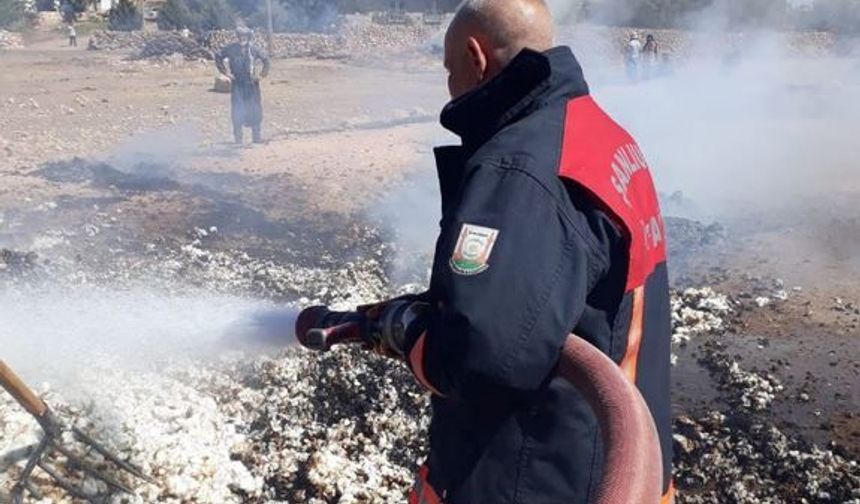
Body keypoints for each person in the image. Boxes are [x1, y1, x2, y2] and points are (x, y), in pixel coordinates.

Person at [357, 0, 674, 502]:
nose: (449, 85)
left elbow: (482, 359)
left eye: (449, 69)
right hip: (619, 466)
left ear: (475, 56)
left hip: (541, 478)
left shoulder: (519, 168)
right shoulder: (598, 135)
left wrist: (408, 331)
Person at [215, 27, 271, 144]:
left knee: (255, 110)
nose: (242, 38)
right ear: (237, 36)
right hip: (238, 84)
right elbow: (218, 56)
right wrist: (226, 73)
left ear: (249, 37)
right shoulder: (231, 49)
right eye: (240, 36)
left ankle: (256, 138)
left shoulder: (254, 50)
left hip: (252, 84)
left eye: (245, 36)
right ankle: (238, 140)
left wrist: (261, 75)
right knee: (237, 110)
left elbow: (266, 60)